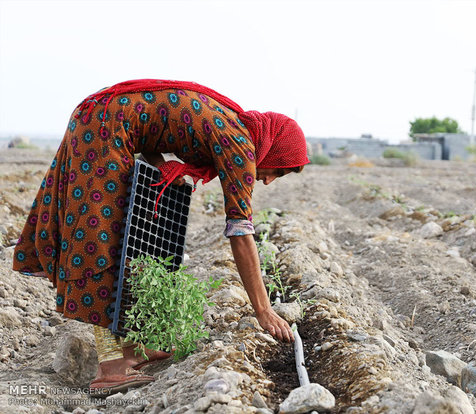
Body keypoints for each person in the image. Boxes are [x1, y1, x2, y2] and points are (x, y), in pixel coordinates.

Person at [12, 79, 309, 392]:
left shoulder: (231, 125)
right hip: (102, 125)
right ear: (274, 149)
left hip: (104, 119)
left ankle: (132, 347)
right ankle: (111, 368)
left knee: (133, 230)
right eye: (279, 170)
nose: (270, 181)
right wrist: (263, 310)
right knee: (104, 240)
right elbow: (240, 231)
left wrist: (160, 164)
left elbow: (153, 121)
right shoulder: (240, 146)